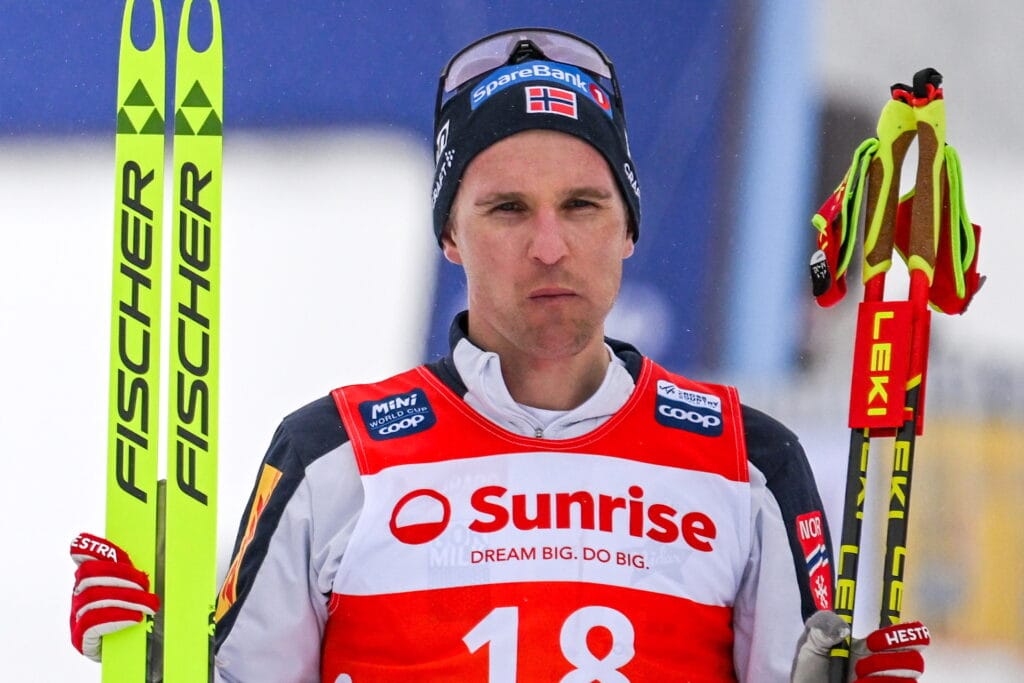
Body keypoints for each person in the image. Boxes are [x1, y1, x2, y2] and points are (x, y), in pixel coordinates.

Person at [70, 27, 930, 682]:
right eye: (508, 208)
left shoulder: (747, 461)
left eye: (584, 204)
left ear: (628, 226)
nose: (549, 245)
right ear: (450, 233)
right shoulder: (333, 453)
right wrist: (157, 660)